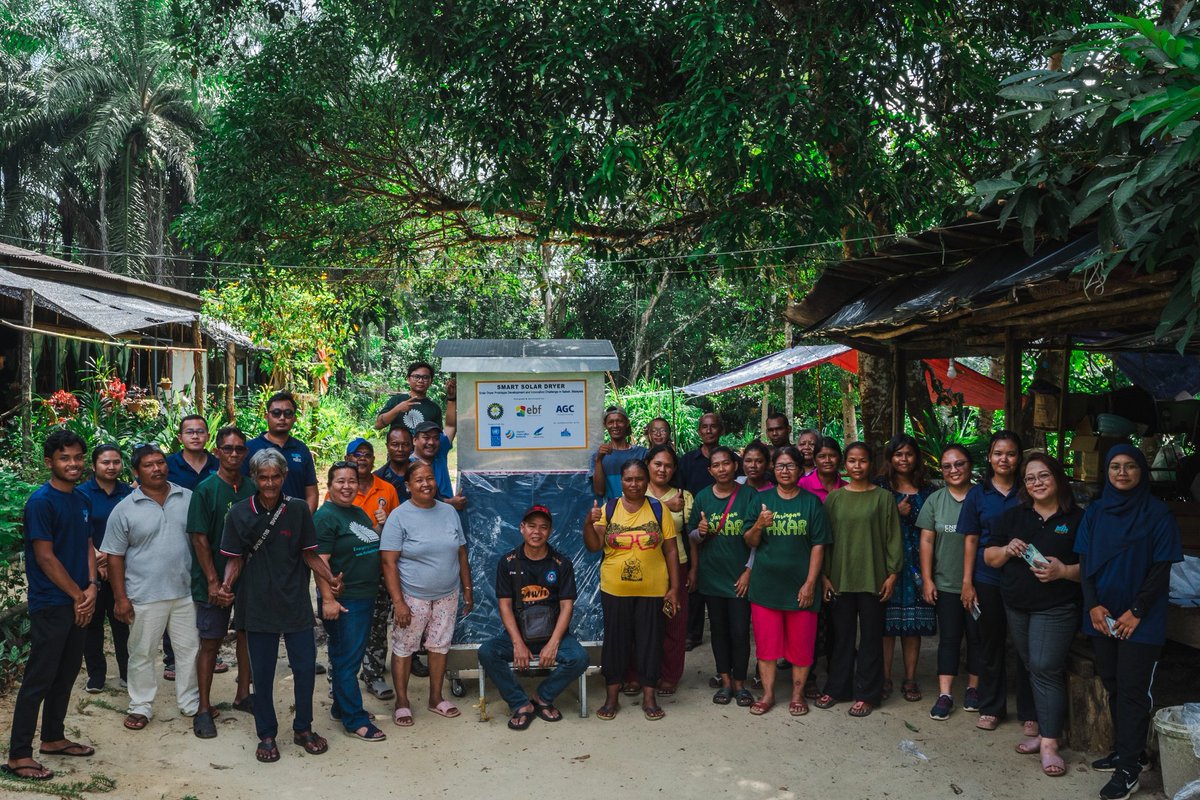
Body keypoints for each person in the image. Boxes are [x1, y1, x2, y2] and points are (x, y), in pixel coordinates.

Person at [218, 448, 342, 763]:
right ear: (254, 478)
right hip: (256, 604)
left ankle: (303, 728)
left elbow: (309, 553)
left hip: (295, 602)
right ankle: (267, 734)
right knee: (262, 673)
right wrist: (225, 586)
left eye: (276, 477)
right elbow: (234, 561)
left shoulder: (299, 510)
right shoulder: (238, 513)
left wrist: (330, 578)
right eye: (263, 477)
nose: (270, 483)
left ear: (284, 476)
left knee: (303, 669)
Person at [1076, 444, 1183, 800]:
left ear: (1142, 472)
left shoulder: (1157, 514)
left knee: (1133, 690)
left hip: (1142, 619)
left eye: (1130, 466)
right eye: (1115, 467)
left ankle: (1128, 770)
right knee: (1113, 684)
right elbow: (1086, 563)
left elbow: (1161, 569)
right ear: (1105, 472)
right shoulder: (1094, 513)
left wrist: (1136, 611)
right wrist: (1092, 607)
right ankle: (1131, 751)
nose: (1122, 473)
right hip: (1102, 615)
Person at [5, 429, 97, 782]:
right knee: (39, 678)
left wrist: (91, 587)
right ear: (50, 462)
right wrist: (78, 596)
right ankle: (18, 756)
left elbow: (88, 546)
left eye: (77, 457)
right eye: (64, 458)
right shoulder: (41, 502)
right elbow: (44, 558)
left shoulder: (82, 500)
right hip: (53, 603)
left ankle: (54, 738)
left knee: (67, 673)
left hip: (80, 599)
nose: (73, 464)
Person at [984, 454, 1082, 779]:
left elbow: (1093, 567)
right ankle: (1045, 731)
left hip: (1057, 607)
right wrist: (1006, 549)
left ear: (1057, 478)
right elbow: (989, 557)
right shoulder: (1014, 516)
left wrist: (1064, 570)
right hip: (1017, 604)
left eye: (1043, 476)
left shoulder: (1077, 518)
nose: (1037, 482)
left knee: (1044, 668)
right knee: (1032, 666)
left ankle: (1050, 743)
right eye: (1030, 478)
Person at [102, 444, 200, 731]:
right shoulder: (124, 509)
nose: (157, 468)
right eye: (149, 465)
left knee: (188, 651)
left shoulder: (187, 498)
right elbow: (115, 556)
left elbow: (200, 542)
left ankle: (190, 702)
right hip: (144, 595)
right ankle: (141, 705)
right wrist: (120, 598)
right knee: (142, 652)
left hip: (185, 592)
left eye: (160, 463)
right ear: (136, 471)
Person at [584, 460, 681, 721]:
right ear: (622, 481)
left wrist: (673, 588)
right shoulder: (610, 508)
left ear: (647, 480)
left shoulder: (659, 509)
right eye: (629, 479)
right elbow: (594, 546)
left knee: (651, 642)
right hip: (615, 589)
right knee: (616, 643)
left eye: (639, 479)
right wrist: (588, 523)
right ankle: (612, 696)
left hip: (653, 589)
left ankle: (649, 697)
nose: (635, 484)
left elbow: (671, 550)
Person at [478, 505, 588, 731]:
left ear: (550, 531)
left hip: (552, 635)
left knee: (579, 658)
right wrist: (517, 643)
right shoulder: (508, 562)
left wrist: (553, 644)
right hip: (520, 635)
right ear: (522, 528)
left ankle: (542, 697)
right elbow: (505, 605)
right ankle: (520, 704)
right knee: (487, 652)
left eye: (543, 527)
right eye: (531, 526)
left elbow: (567, 606)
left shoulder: (561, 563)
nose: (537, 532)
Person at [380, 462, 472, 726]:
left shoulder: (448, 511)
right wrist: (399, 602)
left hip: (447, 594)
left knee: (439, 645)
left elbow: (461, 552)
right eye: (418, 480)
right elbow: (388, 562)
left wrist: (467, 589)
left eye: (429, 478)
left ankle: (435, 698)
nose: (426, 484)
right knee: (404, 647)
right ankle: (402, 702)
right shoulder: (399, 516)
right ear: (408, 486)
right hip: (412, 596)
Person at [959, 430, 1037, 734]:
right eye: (998, 453)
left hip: (1025, 578)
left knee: (1025, 646)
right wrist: (967, 582)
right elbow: (970, 540)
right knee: (989, 644)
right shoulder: (978, 495)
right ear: (990, 458)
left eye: (1011, 453)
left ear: (1019, 459)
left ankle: (1030, 711)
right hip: (986, 577)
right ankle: (991, 707)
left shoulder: (1028, 490)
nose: (1004, 459)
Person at [817, 442, 902, 718]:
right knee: (841, 638)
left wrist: (892, 574)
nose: (857, 466)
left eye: (862, 461)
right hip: (840, 578)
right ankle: (837, 687)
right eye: (852, 461)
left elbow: (892, 539)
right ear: (845, 463)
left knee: (871, 639)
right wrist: (824, 576)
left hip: (873, 578)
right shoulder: (835, 498)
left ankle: (868, 693)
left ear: (871, 464)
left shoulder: (883, 498)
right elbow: (826, 541)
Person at [744, 446, 829, 715]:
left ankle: (797, 694)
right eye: (780, 466)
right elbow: (749, 541)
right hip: (766, 586)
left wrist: (810, 583)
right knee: (767, 647)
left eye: (790, 465)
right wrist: (758, 524)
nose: (785, 470)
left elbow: (818, 545)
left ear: (799, 468)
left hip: (800, 588)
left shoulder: (811, 502)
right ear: (773, 468)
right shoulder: (761, 500)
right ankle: (768, 694)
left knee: (802, 647)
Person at [186, 426, 255, 738]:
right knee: (210, 643)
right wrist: (213, 582)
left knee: (247, 636)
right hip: (213, 579)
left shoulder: (252, 488)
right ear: (217, 452)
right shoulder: (206, 489)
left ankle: (243, 695)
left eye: (239, 449)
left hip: (248, 578)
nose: (233, 454)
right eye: (227, 448)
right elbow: (199, 538)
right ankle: (203, 708)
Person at [315, 461, 386, 742]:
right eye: (340, 481)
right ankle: (355, 719)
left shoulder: (356, 512)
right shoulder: (325, 517)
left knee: (345, 655)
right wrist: (329, 599)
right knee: (347, 661)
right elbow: (320, 563)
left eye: (352, 481)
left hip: (365, 595)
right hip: (347, 600)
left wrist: (380, 524)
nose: (347, 486)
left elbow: (369, 543)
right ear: (330, 485)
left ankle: (340, 707)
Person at [689, 447, 765, 708]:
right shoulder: (701, 498)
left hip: (740, 577)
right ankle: (725, 682)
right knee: (719, 631)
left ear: (736, 465)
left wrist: (748, 571)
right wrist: (700, 532)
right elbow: (692, 538)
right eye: (716, 465)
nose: (721, 469)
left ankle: (741, 684)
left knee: (740, 631)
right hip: (712, 576)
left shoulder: (750, 495)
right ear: (709, 470)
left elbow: (758, 540)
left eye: (726, 464)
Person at [918, 444, 982, 721]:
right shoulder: (935, 500)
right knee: (949, 638)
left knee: (978, 638)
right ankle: (945, 694)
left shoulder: (982, 497)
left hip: (980, 583)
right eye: (947, 466)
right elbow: (927, 541)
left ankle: (974, 689)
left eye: (959, 464)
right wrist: (928, 579)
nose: (954, 470)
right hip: (945, 583)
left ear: (970, 466)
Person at [340, 437, 402, 700]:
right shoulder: (342, 490)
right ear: (348, 458)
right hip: (349, 570)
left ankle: (374, 674)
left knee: (377, 624)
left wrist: (386, 523)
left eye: (366, 454)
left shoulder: (386, 489)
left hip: (378, 568)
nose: (361, 458)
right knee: (347, 625)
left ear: (374, 460)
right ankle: (341, 678)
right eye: (356, 454)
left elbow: (400, 529)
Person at [876, 434, 935, 703]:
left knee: (913, 626)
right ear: (890, 459)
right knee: (886, 628)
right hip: (887, 567)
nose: (903, 459)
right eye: (898, 454)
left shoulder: (928, 491)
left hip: (918, 567)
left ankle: (910, 678)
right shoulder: (880, 488)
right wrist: (893, 512)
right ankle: (885, 677)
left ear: (916, 458)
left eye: (908, 454)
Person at [677, 412, 737, 649]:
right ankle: (693, 633)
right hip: (694, 524)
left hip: (726, 524)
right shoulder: (688, 460)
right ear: (699, 431)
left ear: (721, 430)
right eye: (704, 427)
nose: (709, 430)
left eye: (714, 426)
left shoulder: (729, 458)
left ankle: (725, 628)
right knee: (694, 577)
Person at [78, 444, 132, 693]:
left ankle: (127, 673)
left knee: (122, 621)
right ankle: (96, 675)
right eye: (105, 462)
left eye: (116, 462)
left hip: (122, 568)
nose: (112, 467)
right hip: (91, 569)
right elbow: (79, 531)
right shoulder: (81, 493)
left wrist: (112, 561)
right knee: (93, 623)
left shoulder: (130, 493)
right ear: (93, 466)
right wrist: (98, 558)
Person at [643, 444, 692, 696]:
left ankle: (670, 675)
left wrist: (693, 570)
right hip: (642, 566)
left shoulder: (684, 496)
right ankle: (639, 674)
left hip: (677, 565)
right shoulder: (634, 490)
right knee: (642, 624)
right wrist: (664, 504)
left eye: (668, 465)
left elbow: (691, 536)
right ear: (647, 464)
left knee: (674, 621)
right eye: (657, 464)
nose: (663, 469)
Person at [244, 391, 319, 514]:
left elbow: (312, 493)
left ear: (294, 418)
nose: (282, 418)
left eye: (288, 413)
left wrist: (302, 520)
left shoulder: (302, 449)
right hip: (259, 522)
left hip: (294, 522)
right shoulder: (250, 448)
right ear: (266, 416)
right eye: (276, 413)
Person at [374, 361, 453, 434]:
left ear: (431, 381)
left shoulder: (434, 408)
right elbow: (378, 425)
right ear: (408, 379)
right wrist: (397, 409)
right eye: (416, 377)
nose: (420, 381)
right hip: (399, 448)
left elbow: (437, 435)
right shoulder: (396, 400)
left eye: (425, 377)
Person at [591, 407, 648, 500]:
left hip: (638, 510)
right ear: (605, 425)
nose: (615, 425)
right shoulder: (599, 455)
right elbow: (599, 491)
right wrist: (598, 460)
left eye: (619, 421)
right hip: (611, 511)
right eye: (610, 422)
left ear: (627, 423)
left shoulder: (642, 453)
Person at [411, 420, 466, 509]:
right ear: (415, 440)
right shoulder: (409, 465)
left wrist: (452, 404)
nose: (431, 442)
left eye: (436, 438)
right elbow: (418, 499)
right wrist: (450, 503)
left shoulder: (439, 453)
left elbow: (450, 425)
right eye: (426, 437)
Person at [166, 415, 219, 490]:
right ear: (180, 438)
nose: (195, 436)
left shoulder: (219, 464)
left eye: (200, 432)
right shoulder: (167, 465)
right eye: (189, 432)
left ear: (208, 437)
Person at [375, 425, 414, 501]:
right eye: (395, 444)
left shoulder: (422, 473)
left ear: (412, 446)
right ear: (387, 446)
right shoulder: (378, 478)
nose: (400, 449)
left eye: (405, 444)